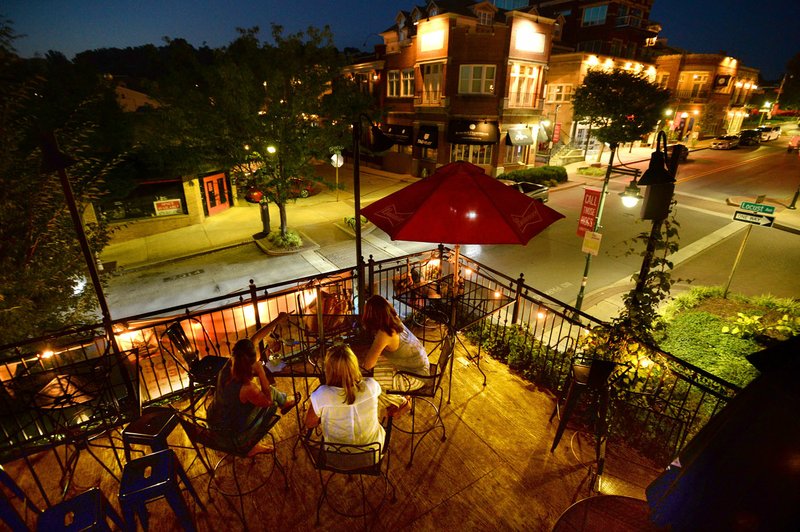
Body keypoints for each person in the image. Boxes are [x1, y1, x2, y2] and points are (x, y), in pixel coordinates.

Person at [206, 332, 299, 456]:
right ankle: (249, 446)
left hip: (214, 424)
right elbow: (268, 401)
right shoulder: (246, 387)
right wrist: (261, 372)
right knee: (272, 404)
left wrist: (277, 320)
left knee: (267, 397)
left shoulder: (227, 367)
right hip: (230, 438)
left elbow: (253, 339)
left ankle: (285, 401)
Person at [305, 344, 385, 450]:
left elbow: (309, 424)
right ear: (354, 365)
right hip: (372, 452)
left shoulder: (321, 395)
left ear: (328, 369)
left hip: (337, 457)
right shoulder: (371, 385)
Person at [361, 294, 430, 417]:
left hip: (414, 378)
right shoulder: (394, 319)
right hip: (421, 367)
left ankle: (401, 402)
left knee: (368, 379)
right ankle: (399, 397)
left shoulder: (385, 334)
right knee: (376, 365)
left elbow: (367, 365)